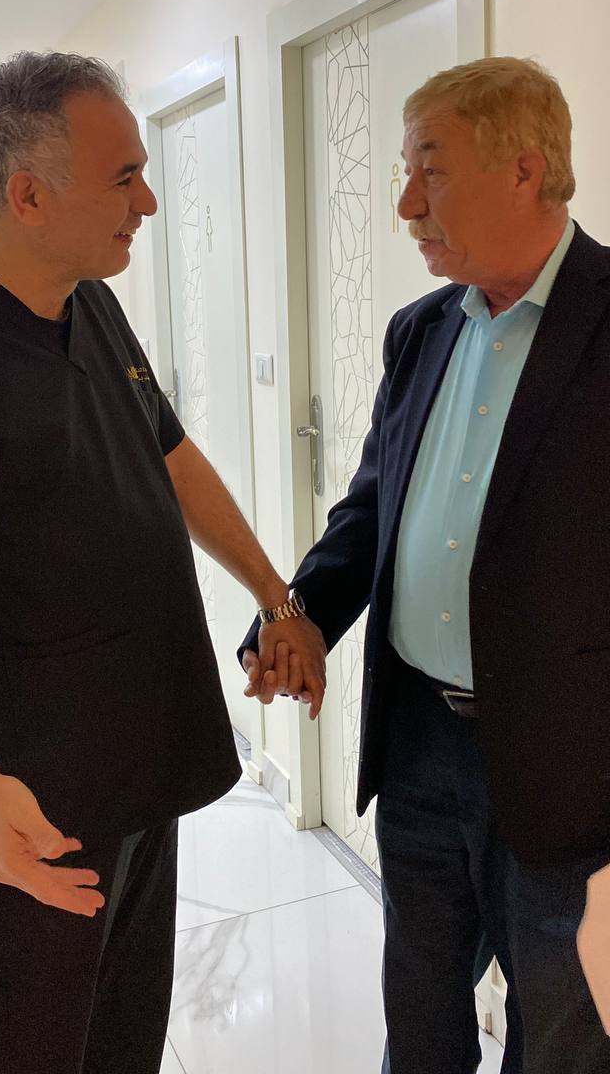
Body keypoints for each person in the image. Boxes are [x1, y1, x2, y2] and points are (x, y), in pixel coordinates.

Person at [0, 50, 308, 1074]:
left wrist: (276, 596)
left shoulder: (91, 301)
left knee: (120, 1035)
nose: (147, 202)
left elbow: (171, 455)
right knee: (9, 1043)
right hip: (20, 807)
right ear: (28, 194)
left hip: (137, 774)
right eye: (125, 177)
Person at [241, 56, 610, 1073]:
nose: (406, 202)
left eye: (430, 170)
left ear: (525, 171)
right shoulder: (421, 332)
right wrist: (299, 610)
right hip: (418, 747)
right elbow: (372, 510)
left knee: (561, 1037)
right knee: (421, 1019)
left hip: (571, 770)